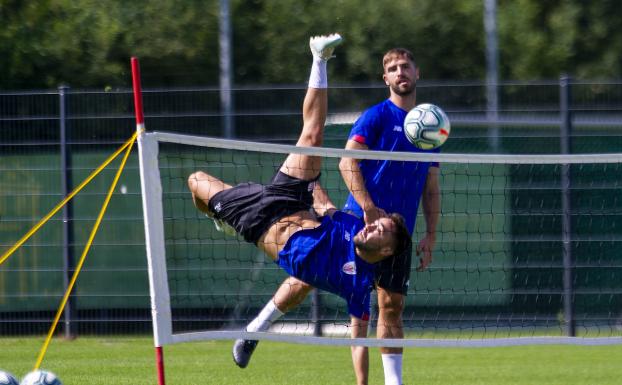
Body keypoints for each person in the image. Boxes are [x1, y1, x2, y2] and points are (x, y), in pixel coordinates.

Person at [187, 32, 413, 376]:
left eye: (380, 229)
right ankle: (319, 59)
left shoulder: (358, 285)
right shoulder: (353, 223)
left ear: (384, 252)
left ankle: (224, 223)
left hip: (260, 223)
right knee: (313, 137)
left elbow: (358, 337)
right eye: (377, 221)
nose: (373, 224)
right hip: (289, 198)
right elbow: (326, 207)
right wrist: (312, 181)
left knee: (197, 180)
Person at [233, 42, 441, 385]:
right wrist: (369, 208)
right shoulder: (376, 116)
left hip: (397, 237)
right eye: (393, 69)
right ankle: (256, 329)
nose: (400, 73)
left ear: (418, 73)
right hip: (360, 222)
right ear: (384, 78)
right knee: (303, 279)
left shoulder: (430, 127)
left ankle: (394, 382)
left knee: (391, 307)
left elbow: (431, 188)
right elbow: (347, 162)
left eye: (406, 66)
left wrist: (431, 233)